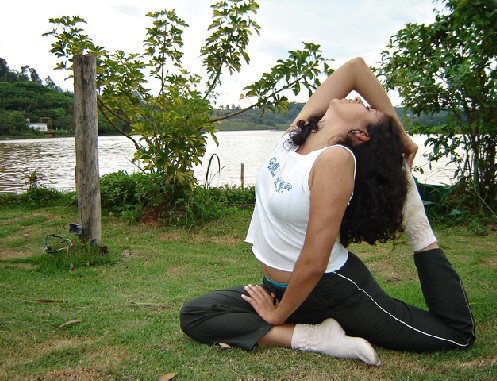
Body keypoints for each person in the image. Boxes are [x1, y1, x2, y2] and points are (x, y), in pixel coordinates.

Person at [179, 57, 475, 366]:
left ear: (360, 134)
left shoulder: (336, 160)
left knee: (454, 334)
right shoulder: (295, 139)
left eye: (370, 110)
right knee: (197, 314)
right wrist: (402, 136)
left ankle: (419, 229)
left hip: (331, 290)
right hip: (281, 290)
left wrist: (277, 314)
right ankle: (315, 337)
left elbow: (314, 260)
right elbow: (354, 69)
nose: (362, 99)